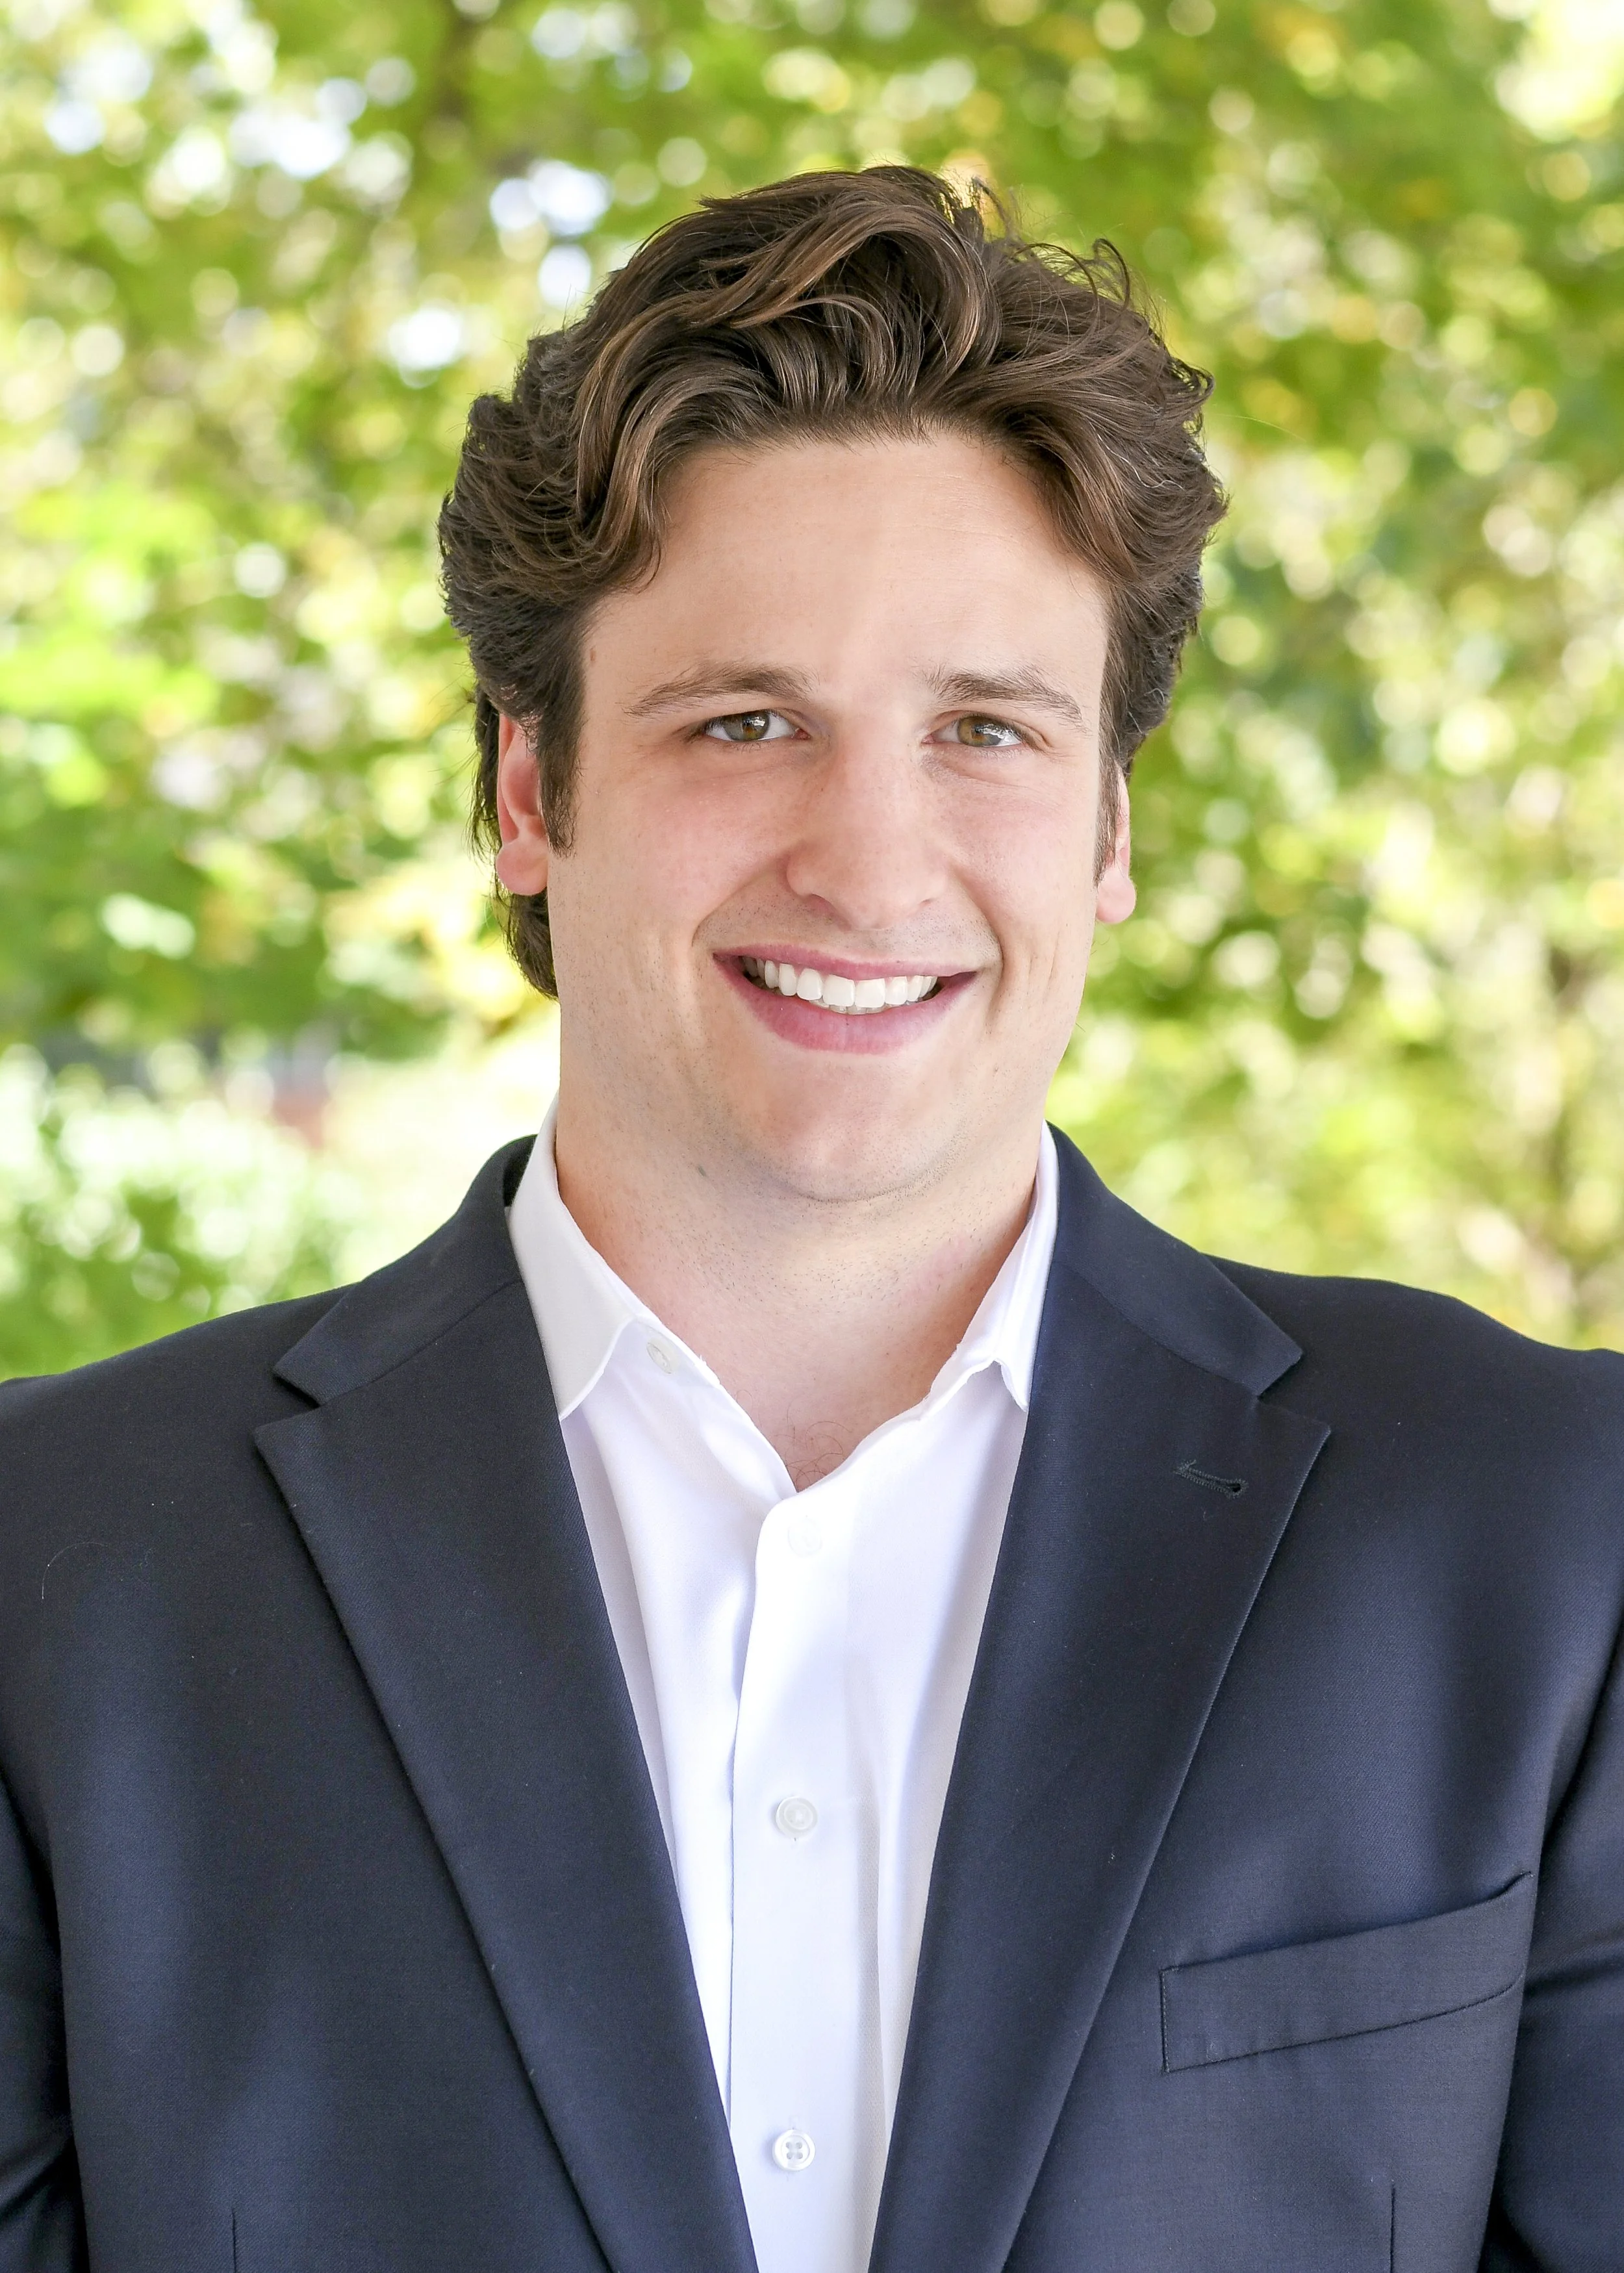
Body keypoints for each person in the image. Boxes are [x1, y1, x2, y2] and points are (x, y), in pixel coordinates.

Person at [0, 166, 1618, 2273]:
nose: (870, 865)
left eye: (983, 731)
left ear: (1107, 826)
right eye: (743, 723)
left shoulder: (1541, 1531)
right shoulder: (61, 1567)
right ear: (526, 792)